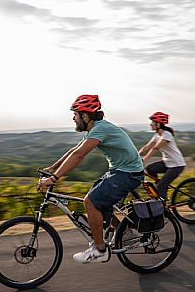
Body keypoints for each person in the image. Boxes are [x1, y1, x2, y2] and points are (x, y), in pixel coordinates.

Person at [38, 94, 144, 263]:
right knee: (98, 201)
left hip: (129, 173)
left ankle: (100, 249)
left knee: (91, 201)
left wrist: (55, 178)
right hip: (119, 170)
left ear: (85, 116)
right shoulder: (95, 129)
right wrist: (52, 168)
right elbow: (74, 151)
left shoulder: (100, 129)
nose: (73, 118)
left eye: (75, 114)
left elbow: (80, 155)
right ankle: (124, 232)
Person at [138, 112, 186, 199]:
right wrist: (136, 156)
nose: (150, 124)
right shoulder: (157, 135)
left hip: (177, 165)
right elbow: (146, 147)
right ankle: (162, 186)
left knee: (160, 186)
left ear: (158, 124)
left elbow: (155, 148)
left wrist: (144, 159)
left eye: (152, 122)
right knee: (150, 168)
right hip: (167, 162)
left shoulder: (167, 134)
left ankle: (163, 205)